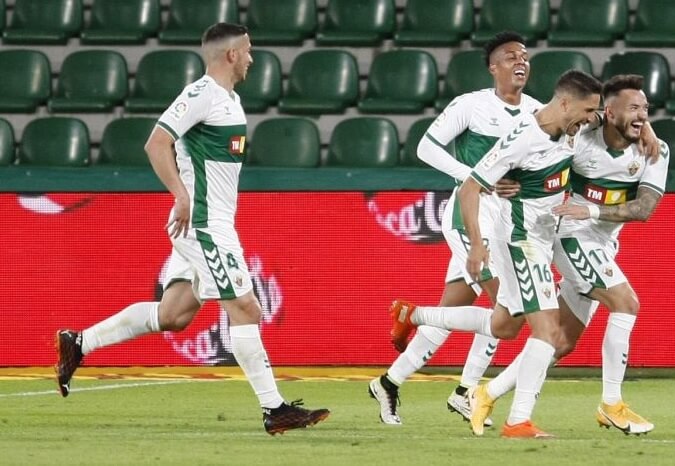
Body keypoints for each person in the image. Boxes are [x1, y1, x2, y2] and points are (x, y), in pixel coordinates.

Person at [54, 23, 329, 436]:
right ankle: (275, 410)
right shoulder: (201, 94)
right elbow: (155, 143)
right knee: (247, 309)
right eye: (249, 51)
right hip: (203, 224)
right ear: (231, 55)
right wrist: (181, 196)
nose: (253, 59)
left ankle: (79, 343)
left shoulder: (229, 100)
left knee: (174, 314)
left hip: (208, 224)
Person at [389, 70, 604, 438]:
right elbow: (471, 189)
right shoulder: (523, 138)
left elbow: (606, 117)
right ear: (566, 103)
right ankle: (518, 420)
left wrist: (641, 129)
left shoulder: (571, 125)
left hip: (541, 236)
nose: (590, 119)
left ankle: (415, 314)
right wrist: (475, 245)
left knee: (505, 325)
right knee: (548, 330)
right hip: (522, 240)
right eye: (587, 111)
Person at [472, 74, 667, 436]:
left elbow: (643, 209)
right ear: (608, 113)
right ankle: (611, 404)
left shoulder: (654, 151)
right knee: (626, 303)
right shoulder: (581, 137)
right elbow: (535, 149)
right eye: (634, 108)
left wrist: (646, 127)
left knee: (560, 343)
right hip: (569, 236)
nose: (641, 115)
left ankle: (486, 392)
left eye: (646, 109)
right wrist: (506, 179)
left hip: (602, 242)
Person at [368, 31, 542, 426]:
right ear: (493, 66)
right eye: (511, 56)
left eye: (526, 56)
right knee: (508, 308)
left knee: (455, 311)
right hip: (472, 216)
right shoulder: (471, 105)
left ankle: (390, 381)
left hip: (510, 221)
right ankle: (466, 391)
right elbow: (426, 147)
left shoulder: (536, 111)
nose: (521, 62)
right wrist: (477, 177)